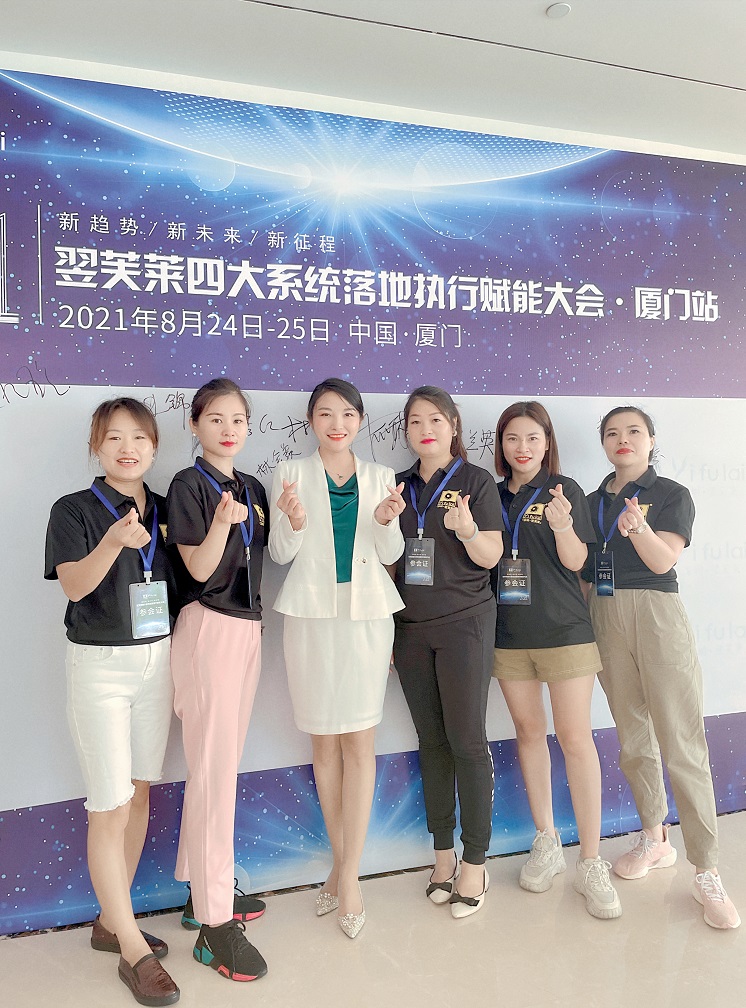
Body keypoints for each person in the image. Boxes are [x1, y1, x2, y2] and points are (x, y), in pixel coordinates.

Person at [583, 406, 740, 929]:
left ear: (651, 440)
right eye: (612, 433)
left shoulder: (672, 493)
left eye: (634, 431)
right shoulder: (591, 502)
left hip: (657, 614)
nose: (623, 439)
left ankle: (707, 870)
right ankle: (655, 838)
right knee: (633, 739)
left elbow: (662, 560)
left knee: (682, 743)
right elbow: (583, 570)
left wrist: (639, 530)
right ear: (603, 443)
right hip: (604, 615)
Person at [44, 397, 179, 1007]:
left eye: (139, 438)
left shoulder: (168, 507)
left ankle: (110, 922)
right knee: (109, 805)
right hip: (100, 667)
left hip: (159, 660)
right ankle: (132, 949)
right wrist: (113, 543)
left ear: (154, 447)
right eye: (114, 437)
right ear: (96, 446)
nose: (128, 448)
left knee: (140, 792)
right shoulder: (73, 509)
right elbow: (74, 586)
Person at [269, 378, 405, 939]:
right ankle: (343, 867)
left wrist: (387, 519)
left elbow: (392, 552)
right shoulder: (289, 474)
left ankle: (346, 877)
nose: (337, 424)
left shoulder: (381, 476)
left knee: (360, 743)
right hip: (310, 617)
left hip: (368, 616)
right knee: (323, 743)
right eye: (325, 414)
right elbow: (280, 554)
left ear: (360, 420)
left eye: (347, 414)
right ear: (311, 421)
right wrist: (294, 522)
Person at [492, 401, 622, 920]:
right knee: (529, 732)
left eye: (532, 438)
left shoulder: (565, 491)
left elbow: (578, 562)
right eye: (512, 439)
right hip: (508, 635)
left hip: (565, 632)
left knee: (574, 738)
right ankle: (547, 840)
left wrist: (564, 526)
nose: (522, 448)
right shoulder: (491, 494)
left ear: (547, 443)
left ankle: (591, 860)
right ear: (501, 445)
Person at [167, 378, 270, 981]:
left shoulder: (251, 487)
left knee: (218, 769)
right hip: (207, 626)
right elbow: (202, 568)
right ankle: (213, 924)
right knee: (212, 774)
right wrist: (223, 526)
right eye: (215, 419)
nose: (228, 430)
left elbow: (265, 559)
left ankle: (199, 892)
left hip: (248, 627)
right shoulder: (189, 485)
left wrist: (290, 520)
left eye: (237, 420)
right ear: (195, 425)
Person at [392, 386, 503, 919]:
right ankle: (443, 857)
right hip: (410, 629)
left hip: (464, 625)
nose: (426, 429)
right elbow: (388, 564)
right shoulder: (398, 487)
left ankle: (476, 863)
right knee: (431, 743)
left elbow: (491, 555)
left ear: (454, 425)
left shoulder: (476, 482)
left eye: (435, 419)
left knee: (467, 742)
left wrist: (468, 529)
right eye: (415, 421)